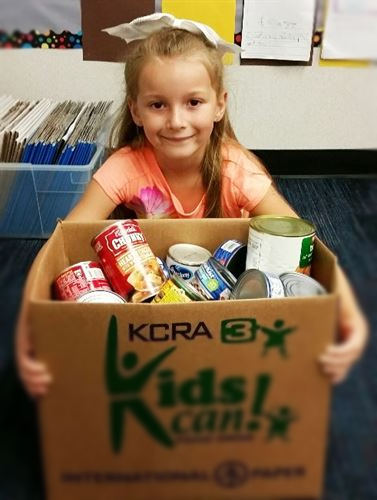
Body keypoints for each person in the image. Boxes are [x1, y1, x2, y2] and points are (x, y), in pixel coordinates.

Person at [16, 14, 368, 397]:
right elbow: (63, 242)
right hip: (153, 324)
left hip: (232, 329)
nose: (177, 121)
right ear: (135, 110)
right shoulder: (124, 168)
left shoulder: (235, 169)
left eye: (194, 102)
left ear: (220, 105)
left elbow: (305, 241)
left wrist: (350, 318)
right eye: (158, 105)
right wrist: (27, 333)